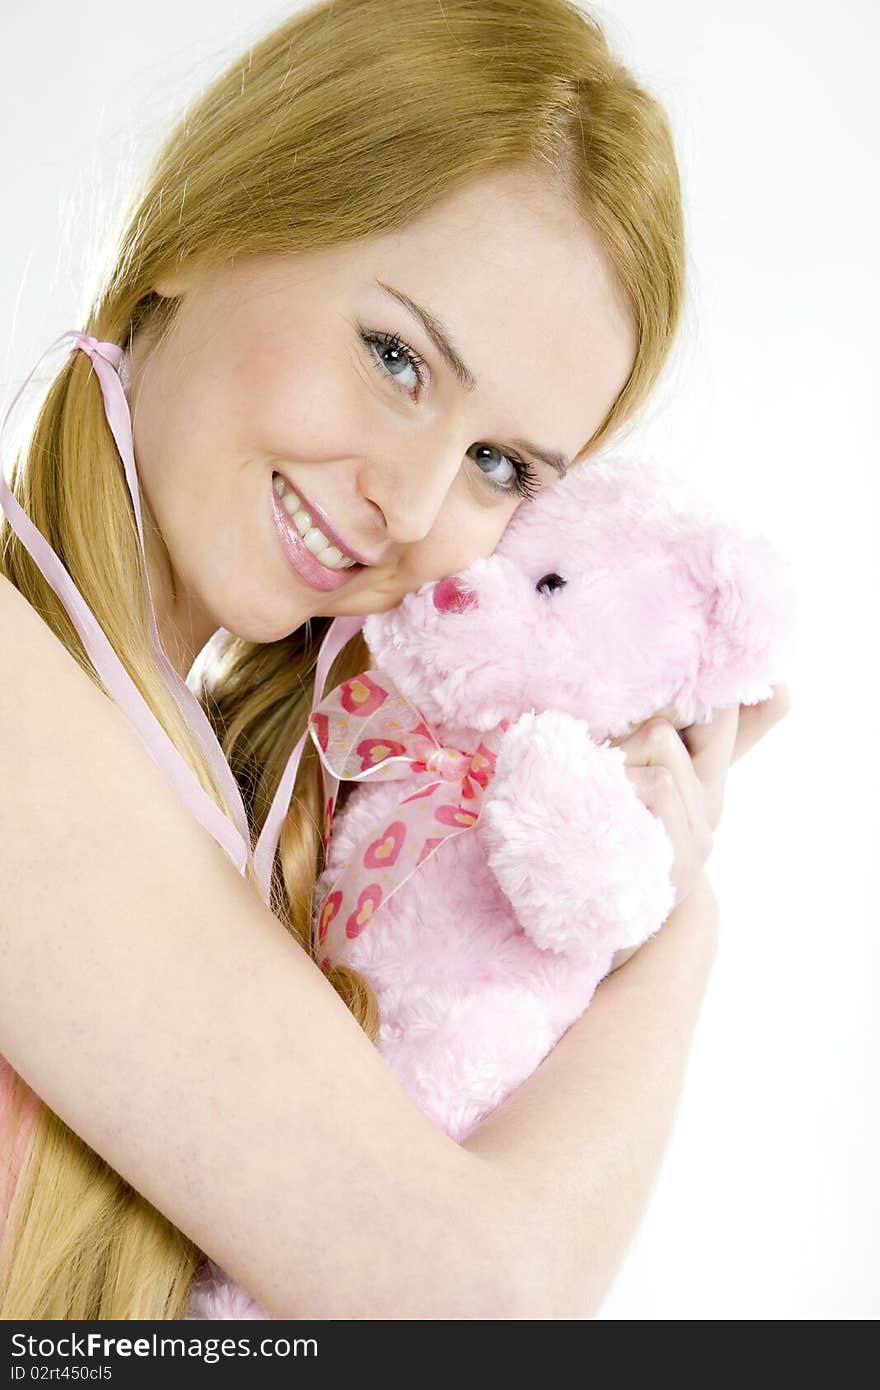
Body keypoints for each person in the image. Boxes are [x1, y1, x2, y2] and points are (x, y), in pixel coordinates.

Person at [0, 0, 790, 1320]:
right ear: (204, 227)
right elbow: (480, 1308)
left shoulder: (247, 819)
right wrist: (679, 923)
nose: (417, 506)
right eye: (396, 357)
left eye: (501, 465)